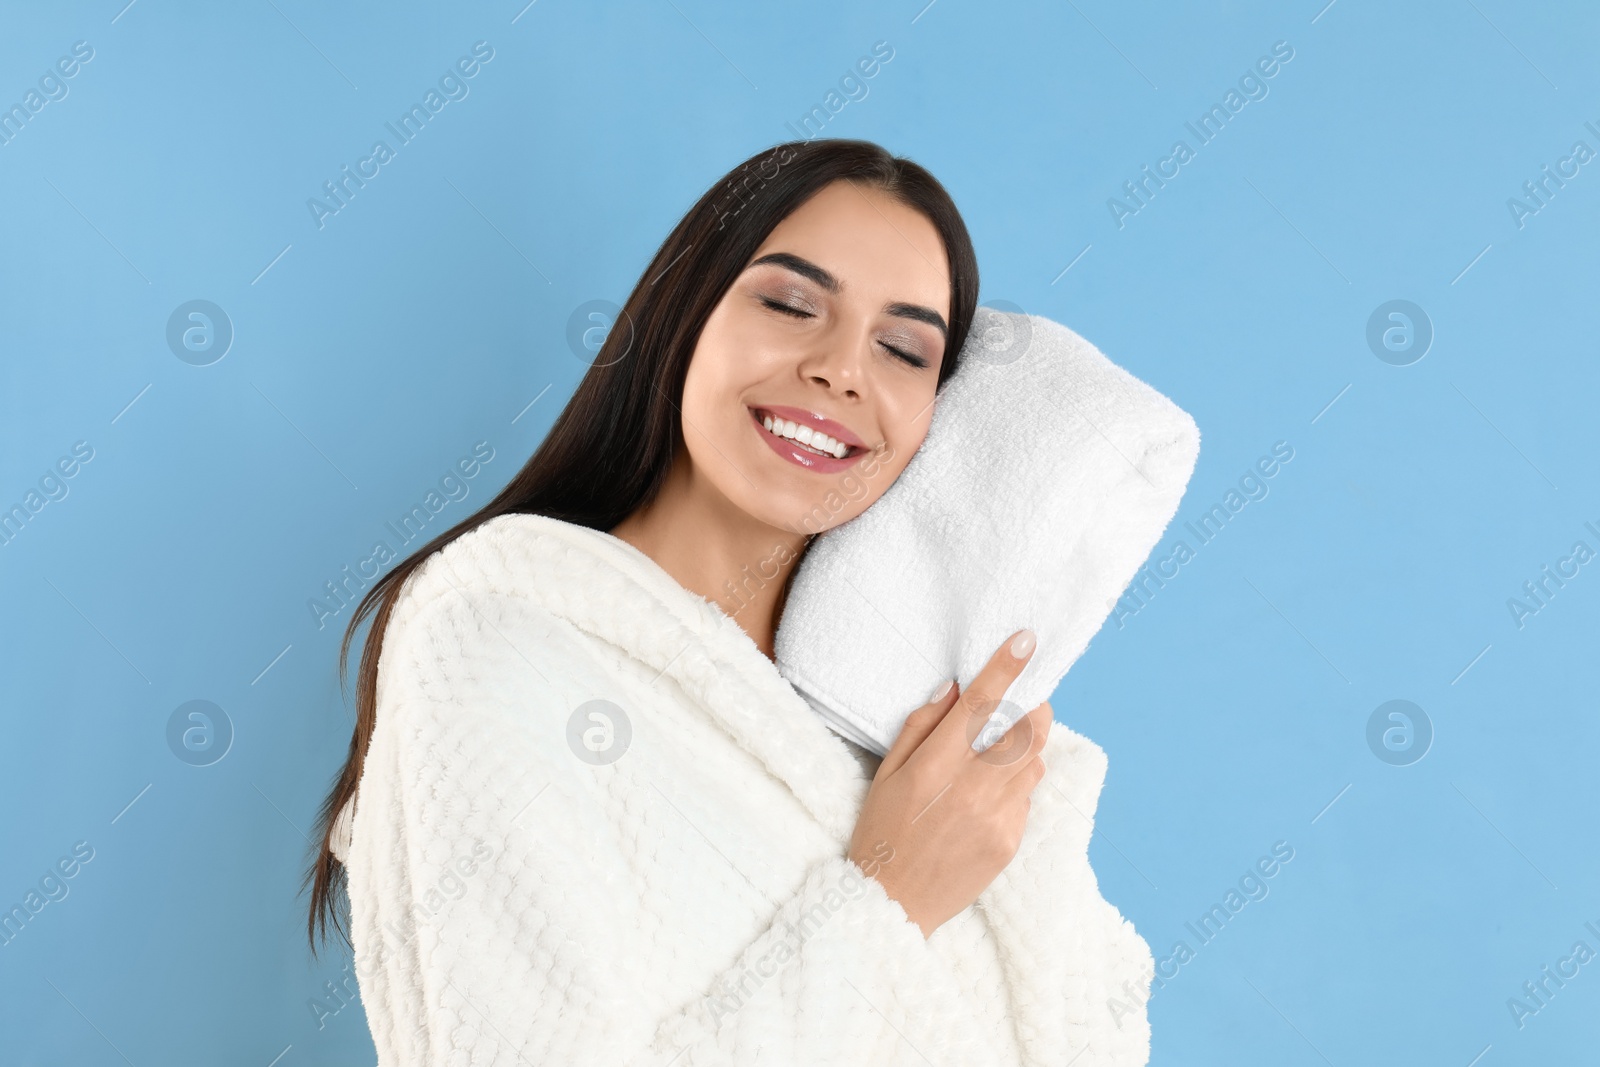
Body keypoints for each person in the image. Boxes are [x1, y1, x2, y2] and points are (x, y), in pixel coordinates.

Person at [303, 138, 1154, 1065]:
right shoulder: (498, 640)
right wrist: (890, 894)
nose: (843, 370)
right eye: (791, 304)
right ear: (683, 315)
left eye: (904, 349)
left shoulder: (897, 725)